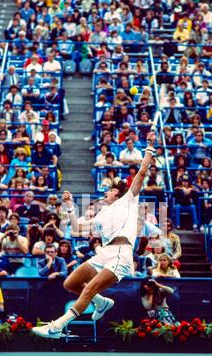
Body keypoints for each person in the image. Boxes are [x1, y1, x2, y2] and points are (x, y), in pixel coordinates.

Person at [32, 131, 157, 338]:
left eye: (108, 190)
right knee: (70, 283)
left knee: (89, 288)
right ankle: (101, 302)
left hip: (121, 254)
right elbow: (75, 230)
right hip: (104, 254)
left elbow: (142, 172)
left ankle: (56, 326)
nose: (105, 192)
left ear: (117, 192)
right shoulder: (102, 214)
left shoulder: (128, 200)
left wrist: (150, 147)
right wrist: (71, 207)